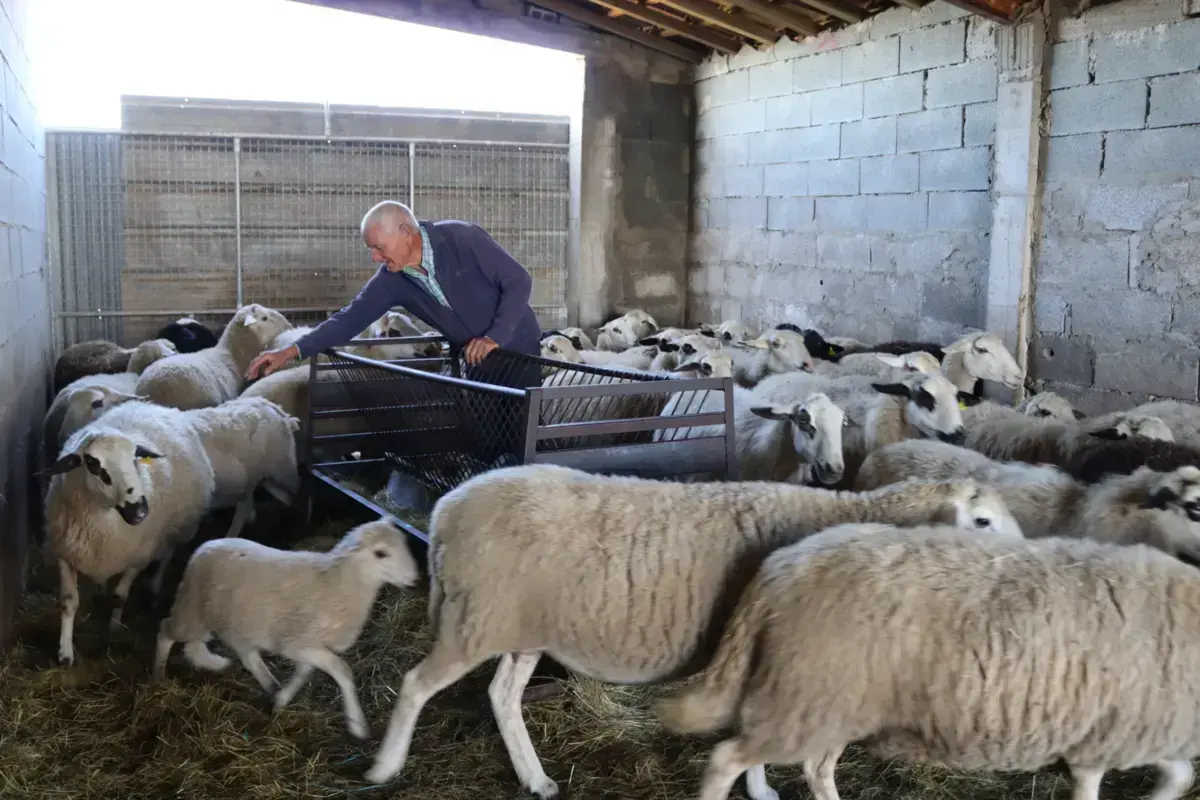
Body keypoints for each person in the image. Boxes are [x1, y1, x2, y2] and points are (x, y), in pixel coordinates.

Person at [245, 200, 542, 380]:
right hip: (475, 357)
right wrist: (291, 351)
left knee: (521, 427)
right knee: (486, 433)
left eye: (378, 247)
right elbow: (349, 319)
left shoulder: (460, 238)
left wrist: (494, 337)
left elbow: (518, 281)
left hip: (518, 346)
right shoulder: (392, 279)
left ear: (404, 232)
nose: (375, 257)